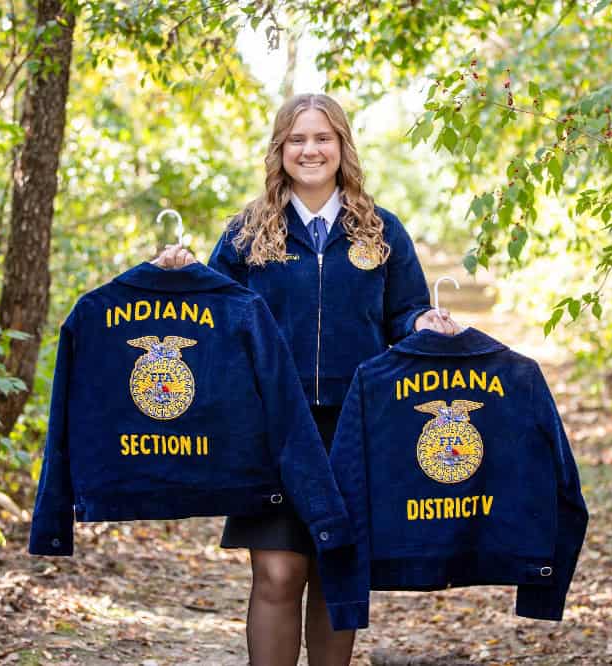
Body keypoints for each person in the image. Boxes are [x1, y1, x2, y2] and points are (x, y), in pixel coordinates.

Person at [154, 93, 458, 666]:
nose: (310, 149)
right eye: (297, 139)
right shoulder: (248, 231)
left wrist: (425, 323)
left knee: (332, 569)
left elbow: (404, 312)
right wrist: (181, 274)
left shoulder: (381, 230)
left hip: (354, 425)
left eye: (322, 138)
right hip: (272, 425)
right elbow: (214, 312)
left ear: (342, 146)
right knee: (276, 570)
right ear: (280, 150)